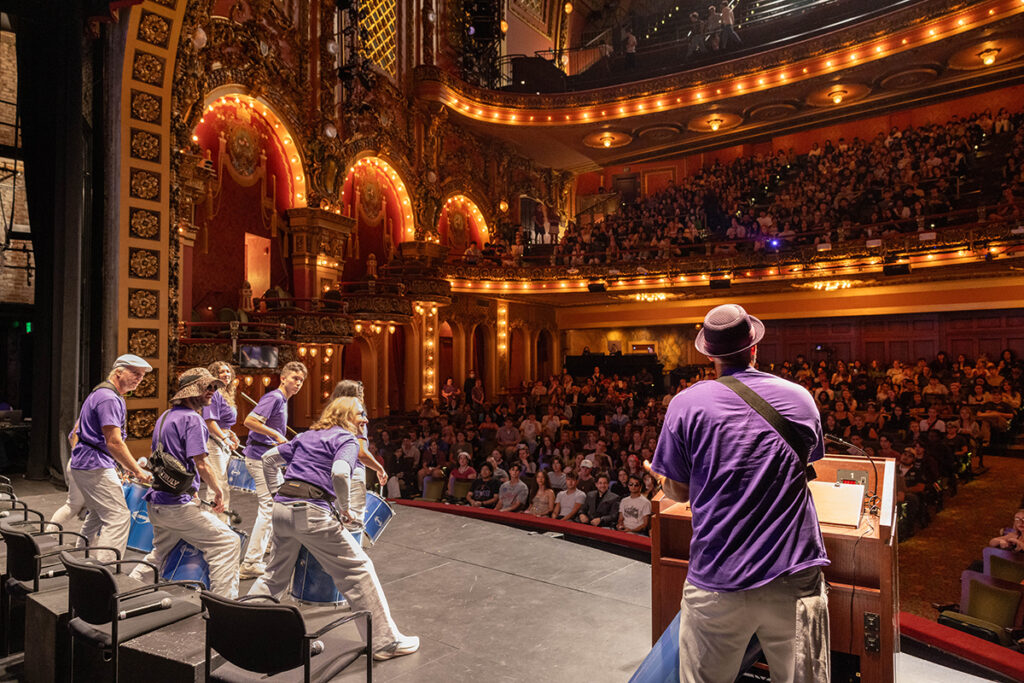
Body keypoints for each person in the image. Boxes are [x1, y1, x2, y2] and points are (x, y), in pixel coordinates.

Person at [649, 304, 830, 682]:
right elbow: (805, 464)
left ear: (710, 355)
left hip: (717, 577)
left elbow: (679, 492)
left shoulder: (685, 405)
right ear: (753, 349)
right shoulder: (800, 398)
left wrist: (661, 480)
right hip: (793, 574)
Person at [250, 397, 419, 660]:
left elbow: (270, 459)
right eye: (361, 414)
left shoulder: (308, 436)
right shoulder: (346, 440)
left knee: (274, 576)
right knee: (358, 570)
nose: (365, 419)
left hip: (282, 510)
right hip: (313, 512)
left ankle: (243, 627)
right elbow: (340, 473)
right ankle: (384, 642)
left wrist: (276, 493)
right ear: (346, 415)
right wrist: (345, 508)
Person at [129, 368, 241, 596]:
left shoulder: (164, 417)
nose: (212, 391)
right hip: (176, 505)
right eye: (207, 387)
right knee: (227, 542)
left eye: (214, 387)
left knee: (160, 552)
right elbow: (201, 463)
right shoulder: (193, 420)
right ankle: (223, 605)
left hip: (156, 501)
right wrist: (218, 491)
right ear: (191, 392)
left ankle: (127, 589)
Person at [61, 354, 153, 561]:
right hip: (94, 465)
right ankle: (103, 570)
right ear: (118, 372)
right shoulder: (109, 398)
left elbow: (76, 432)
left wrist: (122, 465)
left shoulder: (103, 393)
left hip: (88, 463)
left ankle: (80, 558)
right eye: (135, 373)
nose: (139, 379)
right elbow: (114, 442)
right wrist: (138, 470)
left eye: (141, 376)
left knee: (96, 513)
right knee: (118, 517)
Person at [240, 361, 307, 579]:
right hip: (260, 458)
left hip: (266, 459)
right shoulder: (275, 398)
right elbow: (249, 421)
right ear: (283, 378)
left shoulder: (282, 401)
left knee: (276, 505)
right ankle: (251, 562)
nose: (298, 383)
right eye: (295, 378)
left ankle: (267, 545)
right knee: (269, 507)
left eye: (301, 380)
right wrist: (277, 435)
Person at [203, 361, 240, 521]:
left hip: (222, 441)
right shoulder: (214, 392)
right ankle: (217, 525)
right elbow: (209, 421)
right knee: (218, 484)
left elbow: (223, 423)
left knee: (220, 483)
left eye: (228, 371)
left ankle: (215, 522)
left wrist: (231, 434)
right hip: (213, 442)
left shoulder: (226, 394)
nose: (226, 374)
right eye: (221, 372)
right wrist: (225, 438)